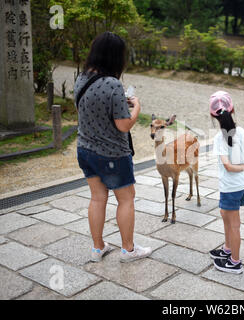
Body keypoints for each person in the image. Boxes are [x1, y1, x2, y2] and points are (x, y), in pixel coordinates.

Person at [74, 32, 152, 263]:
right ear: (116, 57)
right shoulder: (113, 84)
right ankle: (128, 249)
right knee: (125, 199)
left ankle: (98, 248)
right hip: (112, 155)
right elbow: (124, 125)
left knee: (98, 198)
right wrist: (136, 106)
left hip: (85, 149)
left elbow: (85, 111)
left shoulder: (82, 78)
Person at [208, 91, 244, 274]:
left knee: (234, 224)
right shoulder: (243, 132)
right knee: (225, 214)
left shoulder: (219, 138)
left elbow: (228, 166)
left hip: (231, 188)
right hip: (242, 186)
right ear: (233, 109)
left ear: (213, 115)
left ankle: (235, 262)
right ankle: (227, 249)